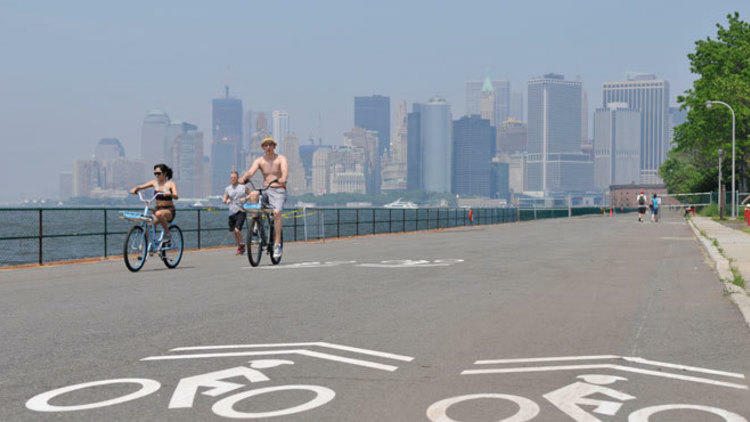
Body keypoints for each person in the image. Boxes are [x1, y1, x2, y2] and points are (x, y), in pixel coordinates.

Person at [239, 136, 288, 259]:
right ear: (262, 147)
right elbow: (251, 172)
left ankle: (277, 244)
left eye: (270, 145)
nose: (268, 147)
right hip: (266, 189)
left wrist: (282, 179)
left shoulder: (281, 159)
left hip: (278, 190)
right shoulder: (260, 160)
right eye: (265, 145)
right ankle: (256, 223)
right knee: (254, 194)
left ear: (274, 146)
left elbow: (285, 172)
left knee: (276, 213)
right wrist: (244, 178)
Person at [130, 164, 178, 244]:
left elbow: (176, 196)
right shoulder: (154, 182)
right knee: (149, 225)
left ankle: (167, 234)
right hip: (157, 209)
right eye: (155, 173)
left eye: (159, 173)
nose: (157, 175)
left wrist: (170, 193)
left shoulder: (170, 184)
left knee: (159, 214)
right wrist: (135, 189)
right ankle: (145, 250)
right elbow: (141, 186)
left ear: (165, 173)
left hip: (168, 210)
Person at [223, 171, 250, 255]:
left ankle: (242, 245)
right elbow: (224, 198)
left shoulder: (242, 187)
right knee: (234, 231)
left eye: (234, 178)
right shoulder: (228, 189)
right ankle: (239, 247)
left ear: (237, 178)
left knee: (237, 230)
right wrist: (226, 200)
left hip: (241, 211)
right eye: (231, 178)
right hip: (232, 212)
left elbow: (251, 194)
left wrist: (245, 198)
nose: (233, 179)